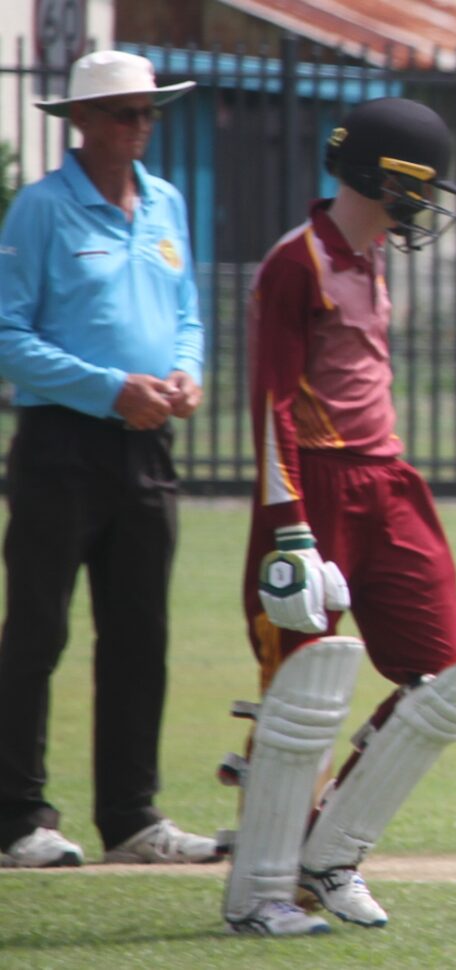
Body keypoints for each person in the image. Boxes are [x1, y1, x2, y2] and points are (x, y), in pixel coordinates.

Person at [221, 97, 456, 937]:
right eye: (418, 187)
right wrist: (289, 528)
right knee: (302, 697)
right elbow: (274, 404)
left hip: (386, 482)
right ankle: (261, 895)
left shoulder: (375, 254)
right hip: (312, 492)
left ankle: (328, 855)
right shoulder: (298, 263)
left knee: (445, 677)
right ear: (379, 176)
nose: (424, 206)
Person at [0, 50, 216, 867]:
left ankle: (131, 818)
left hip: (148, 445)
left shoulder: (165, 202)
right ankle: (16, 819)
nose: (141, 126)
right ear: (81, 122)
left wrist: (188, 374)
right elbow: (9, 338)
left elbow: (187, 311)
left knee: (139, 634)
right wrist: (107, 388)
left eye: (148, 112)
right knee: (38, 633)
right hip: (61, 445)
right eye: (125, 112)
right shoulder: (41, 209)